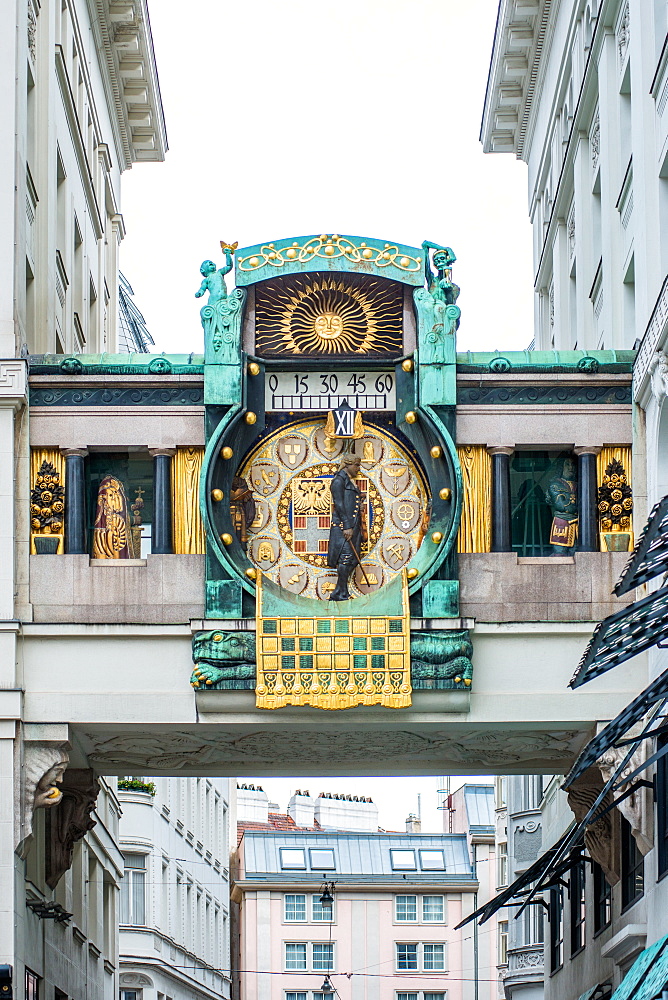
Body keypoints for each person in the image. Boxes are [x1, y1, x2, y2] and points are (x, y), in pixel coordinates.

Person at [327, 454, 363, 601]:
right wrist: (347, 526)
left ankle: (340, 592)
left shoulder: (347, 481)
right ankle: (341, 593)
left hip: (351, 526)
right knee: (346, 558)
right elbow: (339, 504)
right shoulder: (338, 481)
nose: (358, 469)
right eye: (357, 465)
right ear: (348, 465)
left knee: (351, 558)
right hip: (344, 527)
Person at [545, 456, 578, 555]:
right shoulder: (555, 485)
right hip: (562, 523)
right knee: (560, 553)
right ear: (561, 467)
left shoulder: (579, 485)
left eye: (573, 464)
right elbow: (562, 505)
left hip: (577, 525)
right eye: (567, 464)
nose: (570, 467)